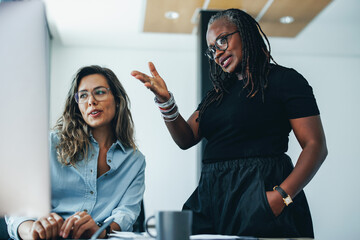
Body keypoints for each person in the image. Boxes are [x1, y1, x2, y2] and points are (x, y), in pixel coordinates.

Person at [131, 8, 327, 238]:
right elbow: (185, 139)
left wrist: (281, 197)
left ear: (246, 33)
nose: (217, 53)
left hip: (260, 192)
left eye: (222, 40)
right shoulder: (217, 95)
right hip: (213, 195)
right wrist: (165, 102)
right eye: (212, 49)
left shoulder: (286, 80)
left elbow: (315, 146)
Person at [6, 65, 146, 240]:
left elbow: (126, 213)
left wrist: (100, 231)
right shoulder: (47, 144)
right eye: (83, 95)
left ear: (117, 100)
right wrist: (32, 231)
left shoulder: (134, 160)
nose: (91, 101)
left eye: (100, 92)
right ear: (77, 105)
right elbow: (17, 208)